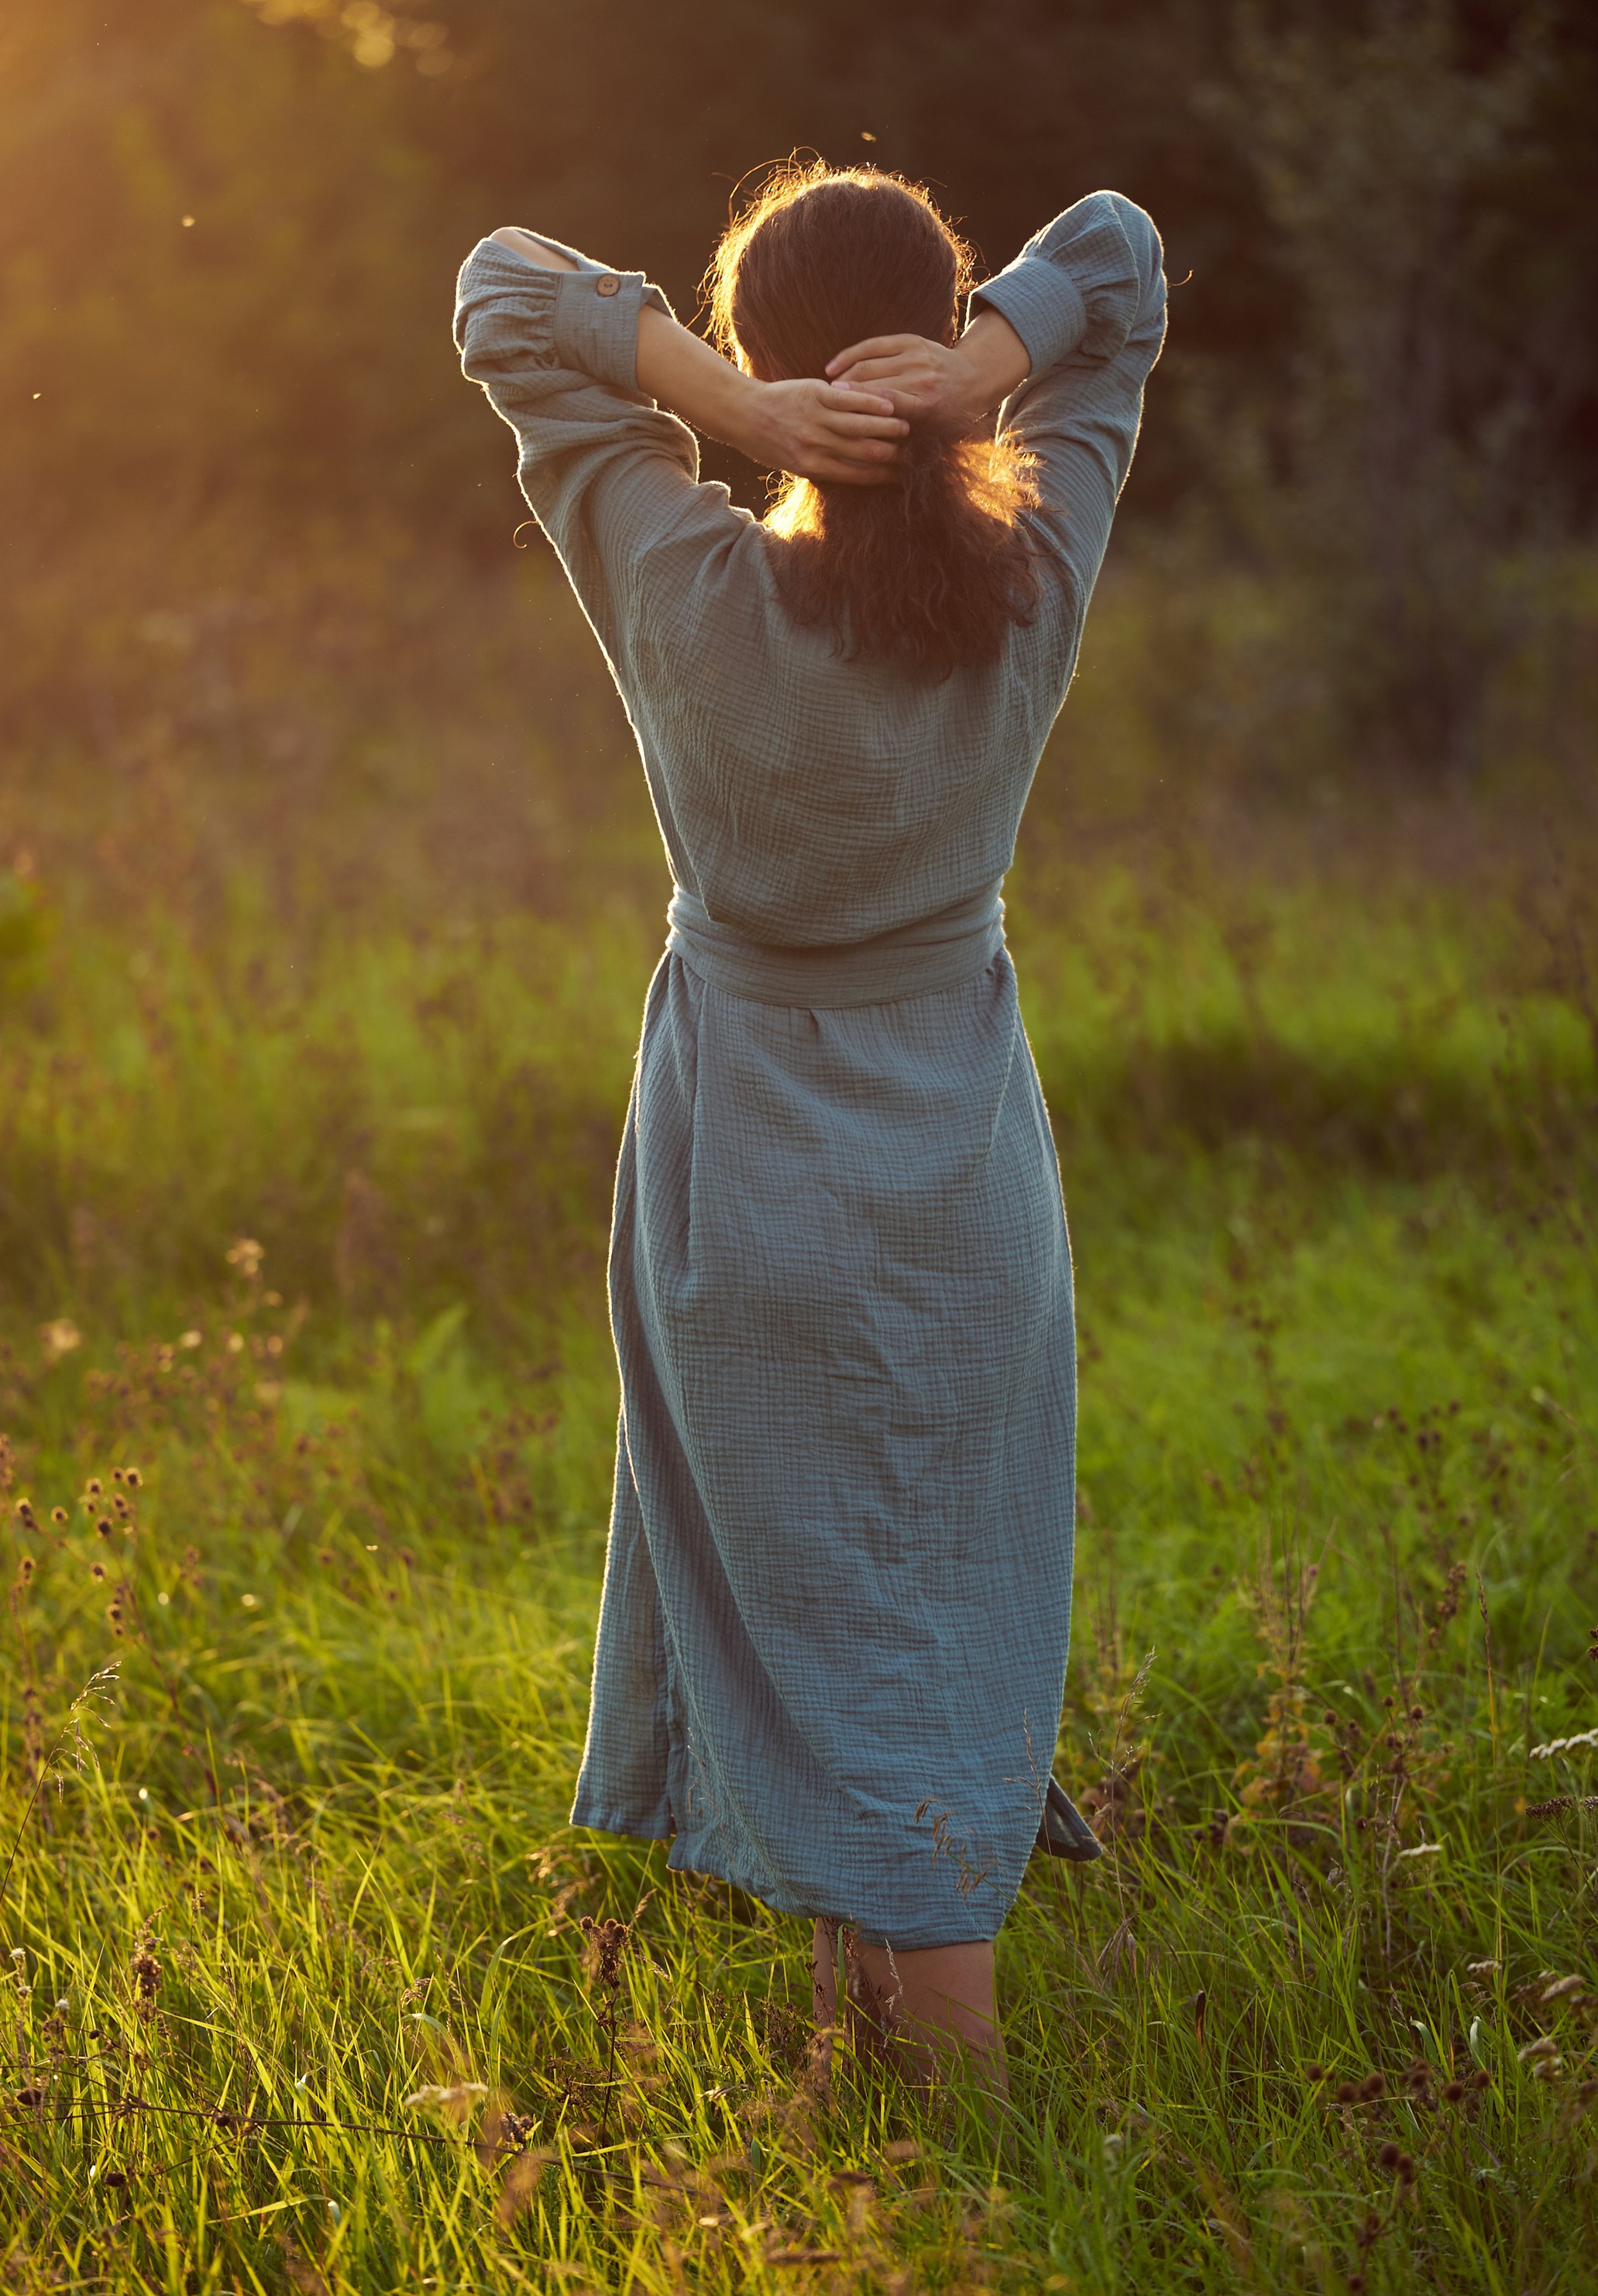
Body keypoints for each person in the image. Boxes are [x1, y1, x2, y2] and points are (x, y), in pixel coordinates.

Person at [455, 164, 1166, 2084]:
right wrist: (980, 372)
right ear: (934, 334)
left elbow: (503, 292)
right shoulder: (1034, 568)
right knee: (923, 1601)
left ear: (753, 351)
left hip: (736, 1182)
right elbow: (1119, 264)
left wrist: (727, 409)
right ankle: (922, 2086)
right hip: (960, 1187)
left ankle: (946, 2093)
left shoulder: (679, 579)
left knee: (807, 1604)